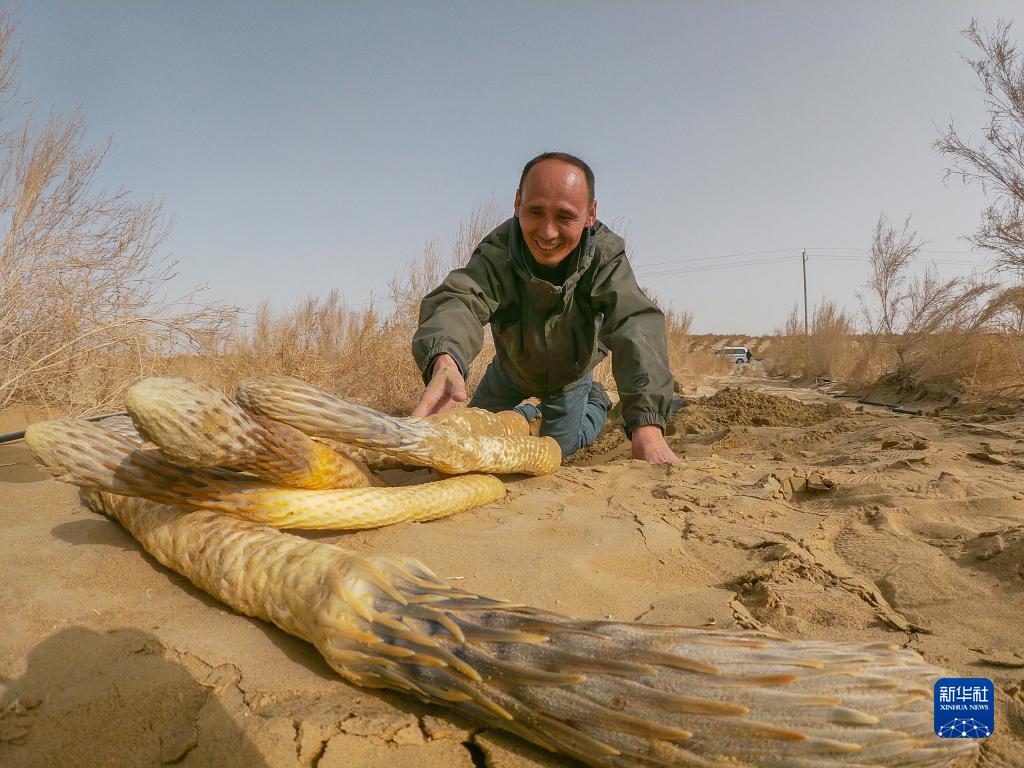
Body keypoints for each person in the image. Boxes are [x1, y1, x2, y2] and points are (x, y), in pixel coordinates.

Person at [410, 152, 677, 463]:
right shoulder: (499, 250)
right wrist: (445, 361)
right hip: (511, 370)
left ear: (590, 214)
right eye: (535, 212)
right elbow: (461, 300)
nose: (548, 232)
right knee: (471, 439)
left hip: (570, 375)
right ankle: (526, 412)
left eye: (565, 217)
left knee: (560, 451)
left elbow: (635, 321)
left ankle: (597, 402)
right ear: (517, 204)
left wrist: (647, 426)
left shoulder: (605, 254)